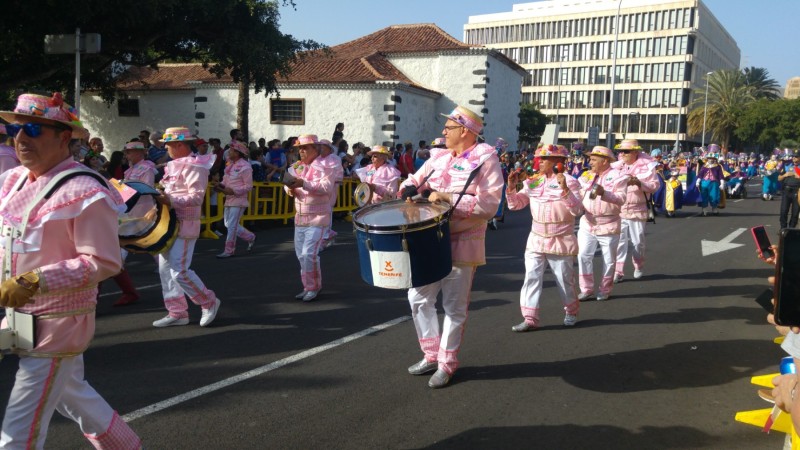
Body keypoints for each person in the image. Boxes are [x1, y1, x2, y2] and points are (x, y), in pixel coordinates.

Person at [0, 92, 141, 448]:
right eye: (15, 129)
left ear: (64, 137)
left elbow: (103, 261)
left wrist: (35, 280)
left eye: (33, 129)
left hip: (59, 322)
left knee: (20, 425)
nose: (21, 138)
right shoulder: (14, 180)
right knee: (71, 393)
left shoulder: (85, 190)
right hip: (19, 316)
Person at [398, 105, 503, 388]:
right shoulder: (439, 156)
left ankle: (447, 362)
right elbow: (414, 180)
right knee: (417, 297)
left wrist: (446, 196)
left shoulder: (486, 159)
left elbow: (489, 205)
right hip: (429, 238)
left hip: (463, 240)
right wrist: (407, 188)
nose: (443, 131)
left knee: (454, 307)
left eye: (449, 127)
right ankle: (431, 354)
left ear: (465, 131)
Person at [506, 144, 583, 331]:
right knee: (531, 277)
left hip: (561, 238)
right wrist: (511, 188)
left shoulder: (571, 182)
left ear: (558, 162)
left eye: (544, 159)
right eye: (539, 158)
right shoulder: (533, 182)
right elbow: (515, 205)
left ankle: (571, 311)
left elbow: (578, 211)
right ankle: (530, 318)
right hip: (536, 238)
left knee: (564, 279)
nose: (539, 162)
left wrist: (565, 190)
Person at [152, 126, 221, 327]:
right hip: (168, 224)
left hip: (185, 224)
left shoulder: (196, 166)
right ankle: (177, 312)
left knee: (179, 271)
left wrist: (169, 199)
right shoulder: (173, 165)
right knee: (165, 270)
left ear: (179, 144)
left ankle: (208, 301)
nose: (166, 148)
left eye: (168, 145)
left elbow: (197, 197)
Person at [283, 135, 336, 302]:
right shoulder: (296, 167)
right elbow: (287, 184)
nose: (301, 151)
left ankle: (313, 287)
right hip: (300, 217)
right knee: (301, 255)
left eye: (305, 148)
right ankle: (308, 286)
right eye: (300, 148)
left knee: (308, 254)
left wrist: (303, 184)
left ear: (316, 149)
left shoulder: (326, 166)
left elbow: (326, 187)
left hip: (318, 217)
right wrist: (289, 189)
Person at [112, 140, 159, 307]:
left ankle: (168, 269)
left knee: (150, 241)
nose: (127, 155)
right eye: (126, 152)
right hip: (131, 210)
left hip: (142, 209)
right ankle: (118, 266)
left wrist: (123, 188)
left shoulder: (147, 168)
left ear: (140, 153)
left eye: (129, 152)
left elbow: (146, 188)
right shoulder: (132, 169)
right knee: (129, 240)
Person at [576, 146, 626, 301]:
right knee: (583, 255)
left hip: (608, 224)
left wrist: (604, 193)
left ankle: (605, 289)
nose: (590, 162)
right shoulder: (586, 176)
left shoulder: (618, 176)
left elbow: (621, 199)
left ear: (604, 161)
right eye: (590, 159)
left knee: (609, 260)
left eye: (593, 159)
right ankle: (586, 289)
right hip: (587, 222)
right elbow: (578, 194)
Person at [612, 139, 661, 283]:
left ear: (635, 152)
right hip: (620, 209)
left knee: (638, 242)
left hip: (637, 209)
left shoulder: (647, 167)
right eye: (621, 151)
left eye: (626, 151)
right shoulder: (617, 167)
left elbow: (655, 186)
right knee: (619, 242)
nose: (622, 154)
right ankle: (618, 271)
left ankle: (638, 265)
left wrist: (640, 183)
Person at [214, 140, 256, 258]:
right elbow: (225, 181)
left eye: (232, 150)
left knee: (231, 225)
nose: (229, 152)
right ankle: (250, 237)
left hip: (239, 200)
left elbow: (248, 186)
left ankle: (229, 250)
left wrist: (233, 191)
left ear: (237, 153)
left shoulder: (245, 167)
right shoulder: (230, 165)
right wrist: (219, 185)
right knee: (228, 224)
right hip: (229, 199)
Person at [696, 145, 725, 216]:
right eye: (709, 158)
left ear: (714, 159)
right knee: (703, 196)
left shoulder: (718, 166)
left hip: (714, 183)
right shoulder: (704, 166)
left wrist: (722, 183)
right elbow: (700, 174)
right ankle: (704, 209)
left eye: (712, 158)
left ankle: (714, 208)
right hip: (704, 183)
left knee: (714, 196)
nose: (711, 160)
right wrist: (698, 181)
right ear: (707, 158)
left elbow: (721, 176)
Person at [777, 149, 800, 229]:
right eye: (793, 156)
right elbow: (779, 178)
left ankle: (791, 228)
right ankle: (783, 228)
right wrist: (785, 175)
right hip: (786, 190)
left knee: (795, 213)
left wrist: (797, 175)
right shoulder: (787, 165)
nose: (794, 158)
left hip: (797, 191)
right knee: (783, 211)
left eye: (796, 157)